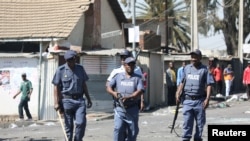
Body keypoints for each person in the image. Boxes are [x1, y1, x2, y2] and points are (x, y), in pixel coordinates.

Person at [52, 50, 92, 141]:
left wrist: (88, 98)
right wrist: (56, 102)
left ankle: (77, 139)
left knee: (81, 123)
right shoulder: (60, 70)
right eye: (69, 60)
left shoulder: (80, 69)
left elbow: (83, 84)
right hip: (67, 101)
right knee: (68, 127)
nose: (71, 62)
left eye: (73, 59)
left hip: (79, 101)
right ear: (66, 60)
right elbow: (56, 86)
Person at [175, 49, 214, 141]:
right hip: (187, 101)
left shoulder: (205, 70)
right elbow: (182, 82)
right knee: (187, 124)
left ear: (200, 58)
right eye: (192, 57)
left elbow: (209, 85)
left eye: (196, 57)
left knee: (200, 125)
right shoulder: (186, 68)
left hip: (199, 101)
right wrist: (178, 92)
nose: (193, 59)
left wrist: (207, 99)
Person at [106, 57, 144, 141]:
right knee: (118, 129)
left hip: (132, 109)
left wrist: (130, 97)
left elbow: (140, 90)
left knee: (133, 132)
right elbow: (108, 87)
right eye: (129, 64)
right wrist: (113, 93)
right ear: (124, 65)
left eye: (133, 64)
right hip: (120, 109)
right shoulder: (118, 76)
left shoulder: (137, 78)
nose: (131, 66)